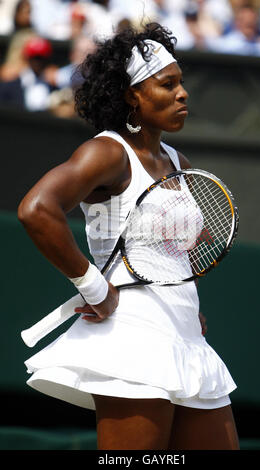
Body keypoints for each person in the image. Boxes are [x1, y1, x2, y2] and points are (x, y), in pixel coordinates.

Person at [18, 22, 239, 450]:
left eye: (181, 83)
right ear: (131, 95)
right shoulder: (107, 152)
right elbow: (36, 210)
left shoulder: (178, 160)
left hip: (187, 335)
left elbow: (176, 245)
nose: (183, 93)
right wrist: (93, 286)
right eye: (167, 84)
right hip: (133, 333)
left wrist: (183, 301)